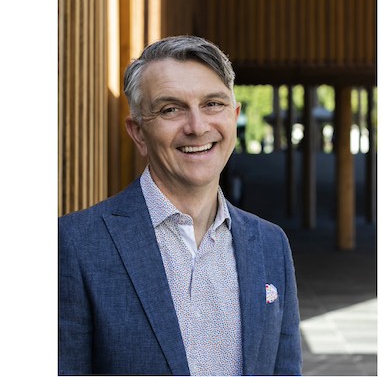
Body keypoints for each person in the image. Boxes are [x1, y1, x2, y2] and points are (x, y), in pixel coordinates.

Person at [58, 35, 302, 375]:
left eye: (212, 104)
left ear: (234, 117)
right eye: (171, 109)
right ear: (138, 132)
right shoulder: (75, 244)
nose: (197, 127)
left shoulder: (271, 243)